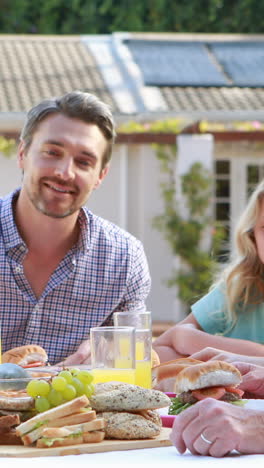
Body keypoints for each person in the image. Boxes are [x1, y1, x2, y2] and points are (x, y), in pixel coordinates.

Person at [0, 91, 151, 365]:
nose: (65, 172)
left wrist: (110, 358)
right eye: (52, 152)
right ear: (22, 154)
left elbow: (132, 366)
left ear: (100, 176)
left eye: (84, 162)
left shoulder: (124, 261)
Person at [153, 180, 264, 363]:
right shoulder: (239, 288)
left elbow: (182, 337)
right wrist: (185, 338)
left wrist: (192, 340)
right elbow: (159, 351)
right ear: (252, 238)